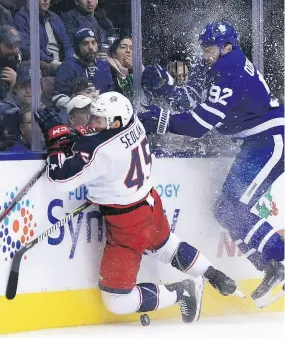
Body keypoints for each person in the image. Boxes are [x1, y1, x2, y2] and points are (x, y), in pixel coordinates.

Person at [34, 91, 243, 323]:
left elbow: (58, 178)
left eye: (98, 119)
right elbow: (96, 138)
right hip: (149, 204)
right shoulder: (133, 122)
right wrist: (76, 134)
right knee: (167, 246)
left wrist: (56, 141)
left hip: (127, 225)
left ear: (114, 122)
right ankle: (214, 274)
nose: (92, 123)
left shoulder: (103, 151)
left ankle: (181, 292)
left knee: (117, 300)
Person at [139, 21, 284, 307]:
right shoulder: (215, 63)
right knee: (224, 210)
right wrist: (168, 87)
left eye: (210, 49)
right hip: (257, 142)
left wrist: (160, 120)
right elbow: (193, 97)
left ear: (227, 48)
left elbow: (197, 126)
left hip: (271, 141)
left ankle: (279, 259)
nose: (205, 55)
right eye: (204, 49)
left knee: (231, 209)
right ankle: (271, 267)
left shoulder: (230, 71)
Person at [52, 27, 113, 109]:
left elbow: (110, 92)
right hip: (79, 116)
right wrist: (82, 107)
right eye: (85, 44)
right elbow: (57, 98)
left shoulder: (103, 65)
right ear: (77, 48)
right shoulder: (68, 66)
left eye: (93, 43)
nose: (91, 47)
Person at [14, 0, 74, 75]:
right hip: (42, 67)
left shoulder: (55, 18)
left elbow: (67, 45)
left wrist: (70, 61)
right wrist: (52, 61)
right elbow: (26, 48)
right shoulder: (21, 17)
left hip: (62, 64)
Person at [107, 35, 133, 101]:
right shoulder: (107, 71)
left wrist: (133, 71)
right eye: (123, 47)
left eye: (132, 48)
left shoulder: (140, 71)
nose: (128, 51)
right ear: (114, 54)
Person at [0, 25, 22, 101]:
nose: (14, 50)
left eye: (16, 46)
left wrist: (15, 83)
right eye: (9, 46)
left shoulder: (17, 63)